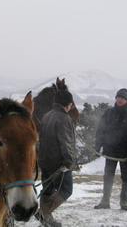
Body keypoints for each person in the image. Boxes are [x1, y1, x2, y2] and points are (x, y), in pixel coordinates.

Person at [35, 90, 77, 227]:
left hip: (45, 160)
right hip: (59, 163)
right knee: (66, 190)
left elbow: (40, 139)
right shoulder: (65, 119)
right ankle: (44, 212)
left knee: (47, 189)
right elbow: (66, 143)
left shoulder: (47, 115)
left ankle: (47, 218)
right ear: (68, 104)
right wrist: (69, 162)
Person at [94, 88, 127, 211]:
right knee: (108, 176)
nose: (119, 99)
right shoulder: (108, 113)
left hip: (125, 154)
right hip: (110, 151)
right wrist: (98, 146)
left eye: (122, 98)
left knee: (126, 177)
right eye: (118, 97)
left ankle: (124, 203)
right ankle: (105, 202)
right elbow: (100, 130)